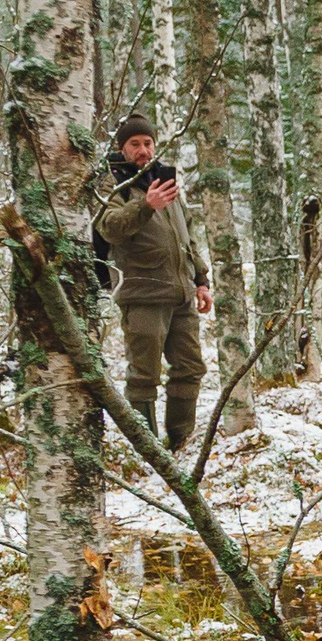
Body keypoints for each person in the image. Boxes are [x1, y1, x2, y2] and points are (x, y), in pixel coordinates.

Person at [95, 112, 213, 452]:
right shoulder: (114, 183)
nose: (143, 150)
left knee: (190, 368)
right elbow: (109, 227)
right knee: (144, 377)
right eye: (135, 144)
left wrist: (201, 280)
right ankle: (147, 450)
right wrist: (144, 206)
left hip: (182, 295)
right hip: (142, 292)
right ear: (122, 148)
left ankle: (179, 442)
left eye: (148, 143)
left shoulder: (164, 180)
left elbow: (186, 237)